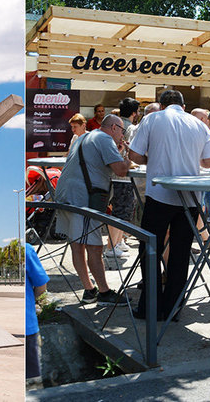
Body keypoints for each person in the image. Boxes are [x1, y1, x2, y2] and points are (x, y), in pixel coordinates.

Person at [128, 90, 210, 320]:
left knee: (150, 250)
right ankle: (173, 308)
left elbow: (134, 155)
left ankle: (150, 306)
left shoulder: (152, 119)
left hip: (159, 195)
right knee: (180, 253)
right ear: (183, 105)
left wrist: (154, 157)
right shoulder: (199, 125)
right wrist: (188, 158)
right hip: (190, 199)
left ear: (161, 105)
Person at [54, 114, 131, 305]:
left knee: (76, 244)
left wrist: (117, 151)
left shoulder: (85, 137)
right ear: (113, 128)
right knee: (94, 246)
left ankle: (89, 290)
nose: (122, 135)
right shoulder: (104, 139)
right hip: (83, 198)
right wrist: (129, 158)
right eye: (121, 130)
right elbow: (121, 170)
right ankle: (104, 293)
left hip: (65, 195)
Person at [105, 98, 141, 257]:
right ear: (134, 113)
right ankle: (112, 246)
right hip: (122, 176)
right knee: (120, 211)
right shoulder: (130, 128)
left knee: (119, 210)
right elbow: (130, 152)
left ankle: (117, 243)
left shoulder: (119, 125)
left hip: (114, 175)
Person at [25, 243, 49, 384]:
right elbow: (41, 285)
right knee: (32, 382)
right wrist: (32, 300)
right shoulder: (26, 249)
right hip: (28, 326)